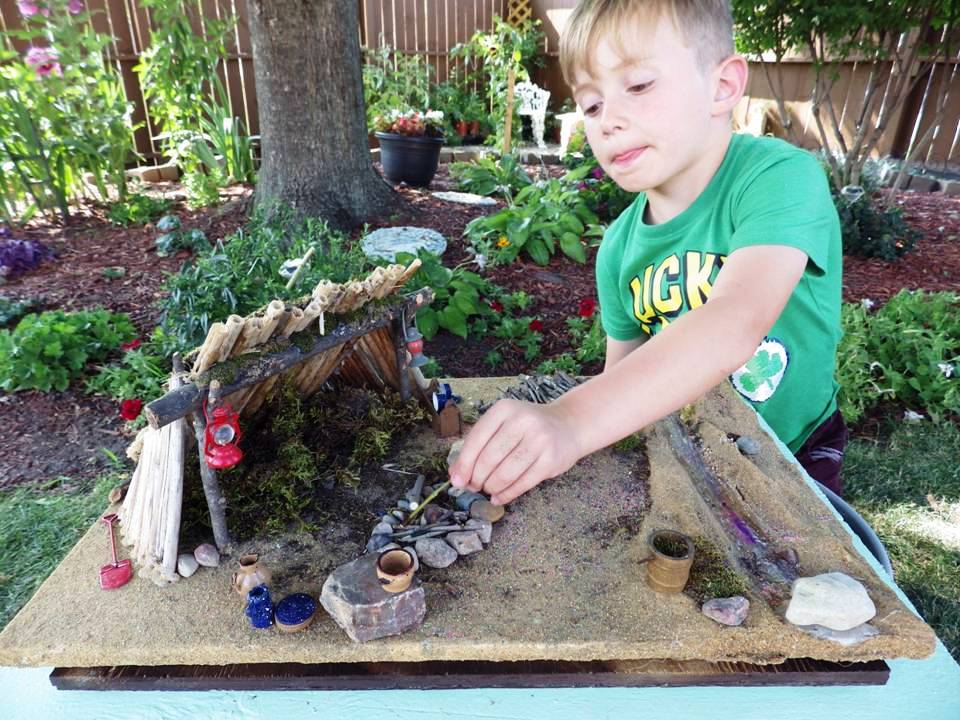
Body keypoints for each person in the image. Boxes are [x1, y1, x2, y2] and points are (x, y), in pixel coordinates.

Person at [449, 0, 846, 504]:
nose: (608, 119)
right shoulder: (618, 247)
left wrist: (571, 419)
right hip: (691, 450)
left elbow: (735, 319)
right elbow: (623, 383)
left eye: (637, 86)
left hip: (796, 449)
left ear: (722, 86)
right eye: (591, 105)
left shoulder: (777, 178)